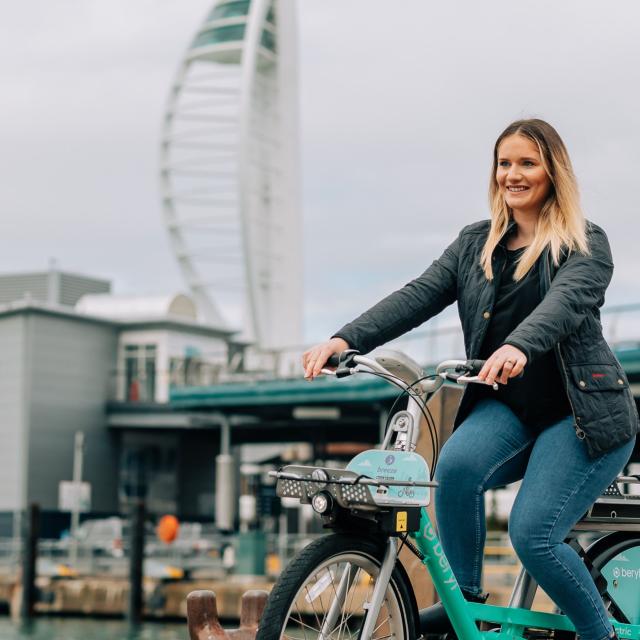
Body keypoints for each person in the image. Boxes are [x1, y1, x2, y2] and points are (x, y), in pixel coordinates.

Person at [301, 119, 639, 640]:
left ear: (553, 171)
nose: (513, 174)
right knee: (454, 470)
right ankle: (470, 608)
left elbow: (564, 304)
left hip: (583, 416)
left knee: (534, 534)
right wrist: (345, 340)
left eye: (527, 162)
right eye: (505, 163)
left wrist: (517, 346)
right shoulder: (474, 244)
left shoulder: (585, 242)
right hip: (510, 408)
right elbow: (416, 296)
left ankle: (602, 635)